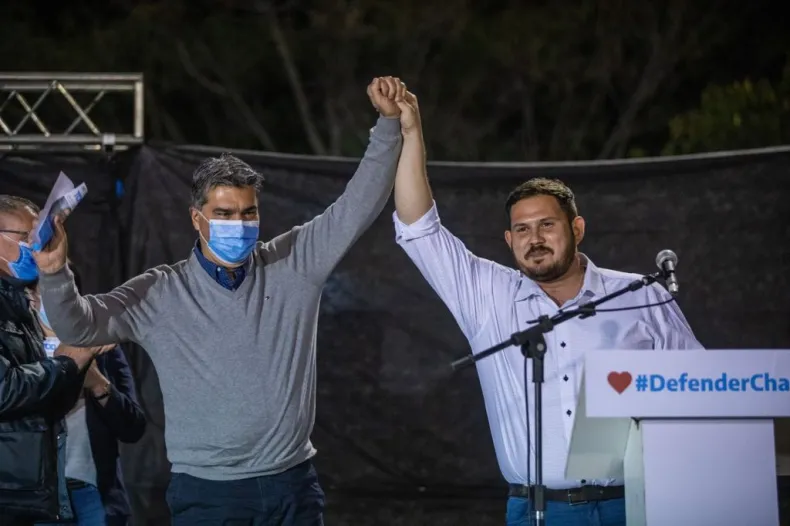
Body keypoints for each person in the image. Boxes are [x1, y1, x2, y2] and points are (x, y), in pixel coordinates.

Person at [34, 76, 408, 525]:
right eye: (224, 214)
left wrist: (389, 124)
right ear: (197, 218)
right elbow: (78, 328)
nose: (240, 223)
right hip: (208, 492)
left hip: (293, 485)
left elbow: (358, 205)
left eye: (249, 212)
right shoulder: (159, 291)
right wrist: (54, 273)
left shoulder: (294, 262)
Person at [390, 94, 703, 526]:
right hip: (535, 509)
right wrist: (410, 131)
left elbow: (696, 388)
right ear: (509, 240)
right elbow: (418, 229)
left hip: (633, 504)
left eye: (547, 225)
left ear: (577, 229)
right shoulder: (488, 296)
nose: (534, 239)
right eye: (522, 229)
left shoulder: (639, 294)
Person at [0, 195, 107, 524]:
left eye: (41, 238)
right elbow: (3, 390)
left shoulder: (18, 305)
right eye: (27, 238)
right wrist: (68, 362)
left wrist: (81, 369)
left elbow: (47, 403)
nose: (37, 247)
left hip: (30, 493)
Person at [32, 263, 146, 526]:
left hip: (94, 496)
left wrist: (98, 384)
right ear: (30, 297)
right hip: (38, 499)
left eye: (62, 292)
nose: (53, 301)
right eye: (45, 290)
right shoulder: (18, 349)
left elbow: (133, 428)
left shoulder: (102, 348)